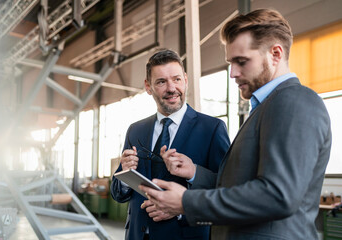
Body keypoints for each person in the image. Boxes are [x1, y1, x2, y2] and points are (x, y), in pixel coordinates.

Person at [140, 9, 332, 239]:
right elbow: (242, 185)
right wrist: (195, 173)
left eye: (242, 62)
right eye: (231, 62)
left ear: (276, 54)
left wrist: (186, 201)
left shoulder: (294, 101)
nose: (233, 73)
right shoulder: (264, 108)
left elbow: (278, 195)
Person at [110, 49, 230, 240]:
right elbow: (118, 194)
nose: (171, 88)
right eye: (161, 82)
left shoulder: (212, 128)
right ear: (148, 87)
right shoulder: (135, 130)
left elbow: (226, 190)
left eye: (176, 79)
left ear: (186, 80)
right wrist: (123, 174)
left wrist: (182, 208)